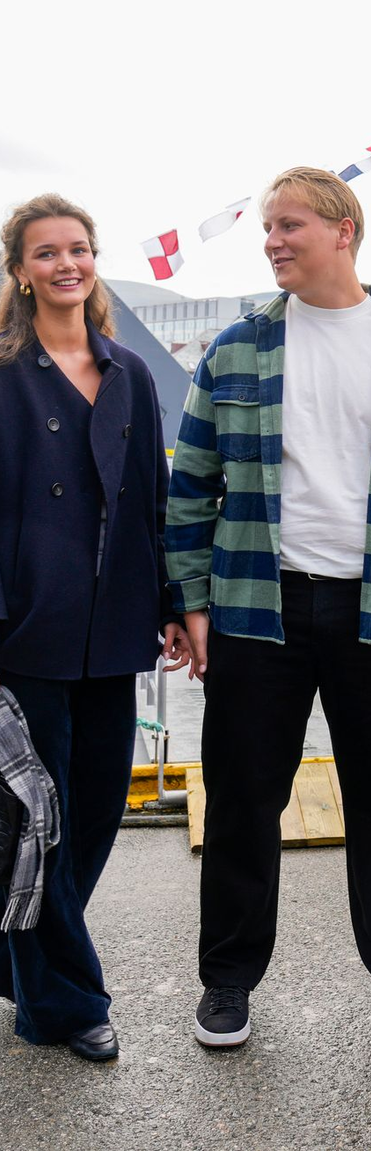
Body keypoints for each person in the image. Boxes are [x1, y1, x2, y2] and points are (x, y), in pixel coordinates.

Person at [165, 167, 371, 1048]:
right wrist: (193, 602)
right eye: (267, 227)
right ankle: (227, 981)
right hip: (256, 608)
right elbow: (191, 489)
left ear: (344, 229)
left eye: (288, 224)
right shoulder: (234, 350)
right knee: (239, 800)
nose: (272, 240)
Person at [0, 195, 190, 1061]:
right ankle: (67, 1003)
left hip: (116, 626)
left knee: (100, 805)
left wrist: (173, 604)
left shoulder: (131, 375)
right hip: (24, 625)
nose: (66, 264)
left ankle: (23, 960)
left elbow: (152, 501)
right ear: (21, 271)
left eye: (78, 249)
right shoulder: (3, 370)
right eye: (46, 253)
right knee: (42, 818)